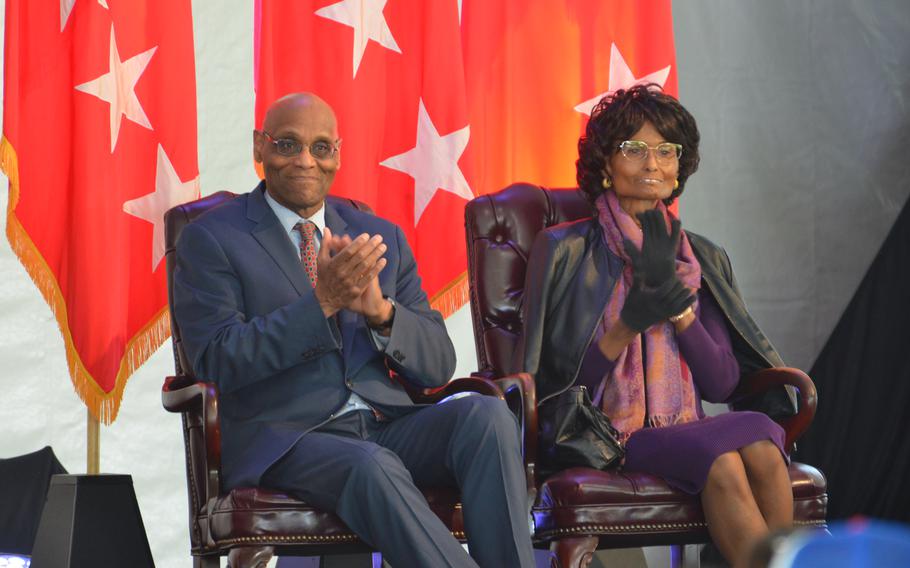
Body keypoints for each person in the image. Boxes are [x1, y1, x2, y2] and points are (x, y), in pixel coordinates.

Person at [173, 93, 535, 568]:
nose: (306, 160)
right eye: (288, 144)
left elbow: (438, 363)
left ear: (338, 155)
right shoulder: (213, 238)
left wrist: (382, 313)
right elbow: (219, 357)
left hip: (387, 424)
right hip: (287, 438)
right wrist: (321, 302)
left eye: (321, 147)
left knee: (486, 416)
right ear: (259, 148)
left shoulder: (378, 234)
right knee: (372, 465)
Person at [513, 84, 795, 567]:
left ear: (679, 168)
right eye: (634, 149)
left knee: (764, 437)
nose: (652, 163)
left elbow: (723, 381)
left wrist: (678, 309)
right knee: (723, 457)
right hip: (607, 434)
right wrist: (628, 324)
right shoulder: (564, 249)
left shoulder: (699, 256)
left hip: (685, 426)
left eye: (666, 151)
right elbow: (555, 384)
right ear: (605, 164)